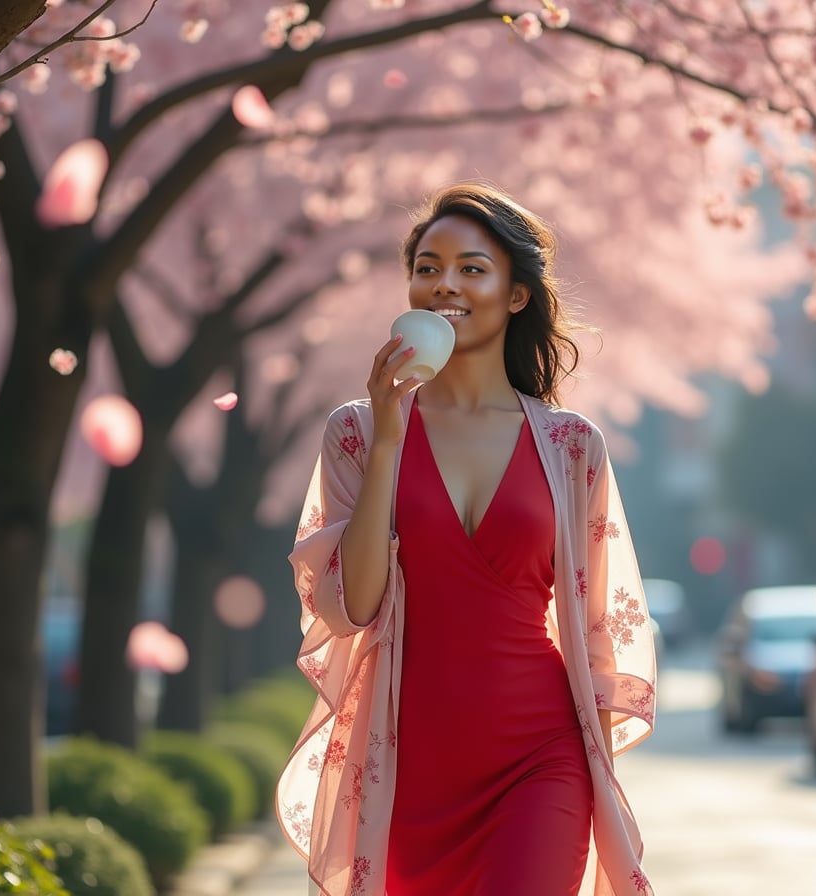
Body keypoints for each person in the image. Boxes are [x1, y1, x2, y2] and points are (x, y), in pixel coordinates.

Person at [277, 182, 657, 896]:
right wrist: (391, 441)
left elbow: (603, 629)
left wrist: (600, 783)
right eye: (426, 267)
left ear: (516, 294)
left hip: (542, 758)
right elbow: (353, 605)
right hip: (406, 763)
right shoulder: (357, 433)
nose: (443, 284)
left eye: (471, 268)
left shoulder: (573, 447)